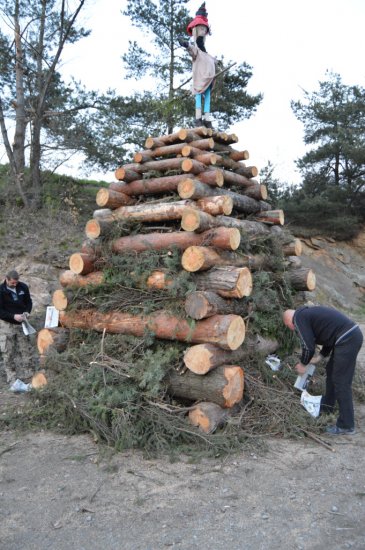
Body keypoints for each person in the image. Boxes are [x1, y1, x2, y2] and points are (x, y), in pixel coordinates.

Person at [283, 305, 363, 435]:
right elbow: (328, 335)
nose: (292, 329)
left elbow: (308, 346)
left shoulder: (299, 318)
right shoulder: (306, 315)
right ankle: (328, 406)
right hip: (347, 336)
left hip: (347, 339)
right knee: (331, 371)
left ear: (290, 321)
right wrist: (320, 357)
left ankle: (346, 425)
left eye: (288, 326)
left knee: (341, 381)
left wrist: (303, 364)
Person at [179, 2, 216, 128]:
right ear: (195, 31)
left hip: (209, 79)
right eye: (200, 29)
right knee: (199, 96)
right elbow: (192, 50)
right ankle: (198, 117)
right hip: (200, 79)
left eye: (204, 30)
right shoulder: (197, 50)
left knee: (208, 97)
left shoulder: (207, 54)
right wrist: (186, 45)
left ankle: (207, 118)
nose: (202, 32)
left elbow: (211, 60)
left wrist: (216, 62)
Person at [0, 269, 37, 383]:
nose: (15, 284)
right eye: (12, 283)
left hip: (22, 324)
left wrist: (27, 312)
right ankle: (12, 378)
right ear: (6, 279)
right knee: (8, 352)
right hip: (7, 325)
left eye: (16, 282)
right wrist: (13, 316)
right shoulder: (1, 290)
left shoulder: (23, 287)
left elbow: (29, 302)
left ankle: (29, 376)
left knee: (25, 349)